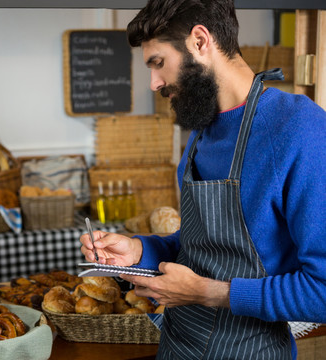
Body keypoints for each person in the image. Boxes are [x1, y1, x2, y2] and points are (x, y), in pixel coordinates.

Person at [80, 0, 326, 358]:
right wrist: (140, 250)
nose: (154, 83)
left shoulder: (300, 130)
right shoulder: (201, 131)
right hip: (178, 347)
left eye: (159, 63)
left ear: (200, 41)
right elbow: (201, 245)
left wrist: (207, 293)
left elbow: (322, 290)